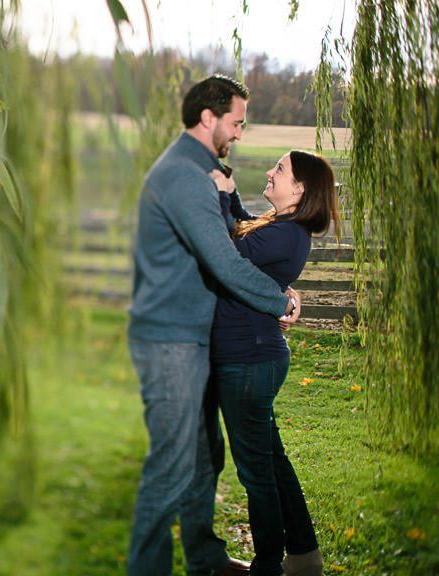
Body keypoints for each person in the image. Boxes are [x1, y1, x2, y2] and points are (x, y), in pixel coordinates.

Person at [127, 74, 301, 576]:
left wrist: (280, 291)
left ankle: (204, 559)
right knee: (172, 466)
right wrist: (278, 301)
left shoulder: (206, 172)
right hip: (169, 341)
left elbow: (235, 232)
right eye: (237, 122)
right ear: (209, 118)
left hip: (193, 337)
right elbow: (225, 261)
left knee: (204, 455)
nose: (241, 134)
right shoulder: (184, 176)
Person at [209, 150, 340, 576]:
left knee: (257, 472)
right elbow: (245, 227)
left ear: (299, 189)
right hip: (255, 356)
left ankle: (268, 566)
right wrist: (229, 194)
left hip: (248, 361)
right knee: (272, 462)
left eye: (280, 169)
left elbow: (226, 253)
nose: (270, 171)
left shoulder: (288, 234)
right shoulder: (283, 227)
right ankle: (304, 556)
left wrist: (218, 197)